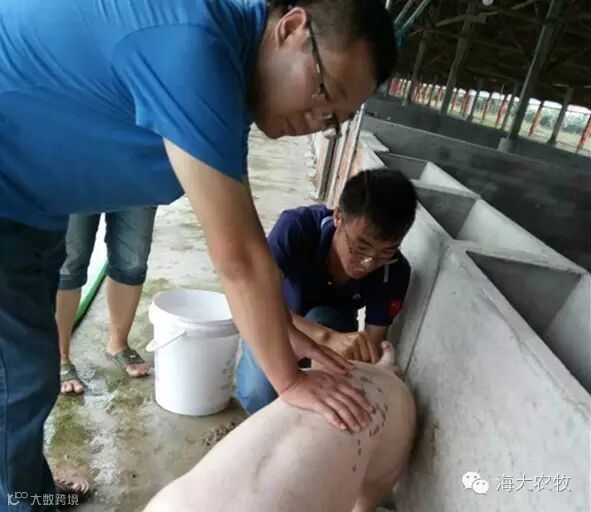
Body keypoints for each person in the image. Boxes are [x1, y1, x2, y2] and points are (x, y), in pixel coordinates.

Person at [0, 0, 397, 508]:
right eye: (325, 92)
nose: (319, 121)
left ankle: (29, 491)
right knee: (19, 380)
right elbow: (239, 257)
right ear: (293, 28)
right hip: (9, 194)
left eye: (335, 119)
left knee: (23, 373)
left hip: (34, 205)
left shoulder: (230, 83)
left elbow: (240, 231)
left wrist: (288, 331)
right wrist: (290, 381)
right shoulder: (195, 47)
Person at [237, 169, 417, 414]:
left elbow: (372, 344)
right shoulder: (296, 228)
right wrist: (324, 338)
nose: (368, 264)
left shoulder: (394, 271)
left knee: (323, 321)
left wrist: (377, 370)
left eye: (385, 252)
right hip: (277, 322)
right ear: (338, 216)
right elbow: (254, 301)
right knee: (259, 396)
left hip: (334, 326)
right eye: (360, 248)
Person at [57, 208, 156, 395]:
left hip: (135, 188)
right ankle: (60, 356)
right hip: (74, 187)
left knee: (132, 261)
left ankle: (118, 343)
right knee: (68, 261)